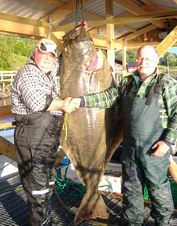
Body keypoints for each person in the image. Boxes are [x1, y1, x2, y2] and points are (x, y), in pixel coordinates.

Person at [64, 45, 177, 226]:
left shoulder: (167, 83)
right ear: (136, 61)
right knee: (131, 190)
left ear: (157, 60)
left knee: (158, 191)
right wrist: (81, 101)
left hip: (155, 148)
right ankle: (132, 222)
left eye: (148, 59)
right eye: (140, 58)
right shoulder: (127, 82)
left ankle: (163, 222)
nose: (143, 62)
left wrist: (168, 141)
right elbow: (108, 97)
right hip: (130, 147)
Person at [11, 38, 65, 226]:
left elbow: (68, 60)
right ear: (35, 53)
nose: (48, 59)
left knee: (46, 187)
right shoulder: (28, 73)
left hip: (47, 141)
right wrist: (65, 104)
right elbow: (38, 103)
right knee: (38, 192)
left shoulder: (48, 73)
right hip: (32, 140)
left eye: (51, 56)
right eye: (43, 54)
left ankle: (45, 222)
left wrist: (75, 35)